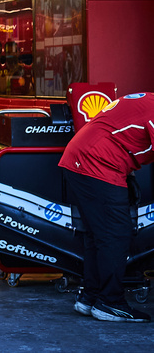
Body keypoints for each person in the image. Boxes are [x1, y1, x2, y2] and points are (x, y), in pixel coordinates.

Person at [59, 92, 154, 322]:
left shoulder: (148, 101)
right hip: (96, 164)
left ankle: (90, 296)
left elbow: (120, 131)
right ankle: (110, 302)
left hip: (81, 159)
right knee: (116, 235)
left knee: (98, 235)